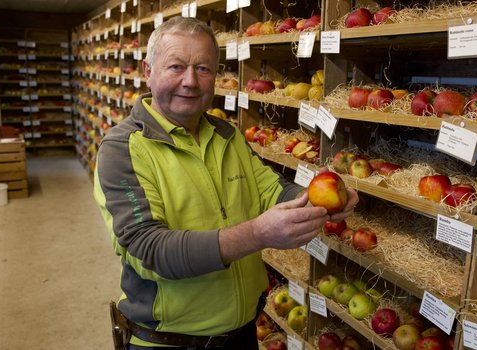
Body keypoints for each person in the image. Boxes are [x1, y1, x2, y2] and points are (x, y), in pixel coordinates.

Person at [93, 16, 358, 350]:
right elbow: (151, 250)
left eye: (203, 69)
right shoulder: (122, 150)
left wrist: (319, 200)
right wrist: (257, 234)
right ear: (148, 71)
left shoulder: (227, 135)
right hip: (170, 343)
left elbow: (271, 190)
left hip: (242, 335)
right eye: (176, 67)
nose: (190, 81)